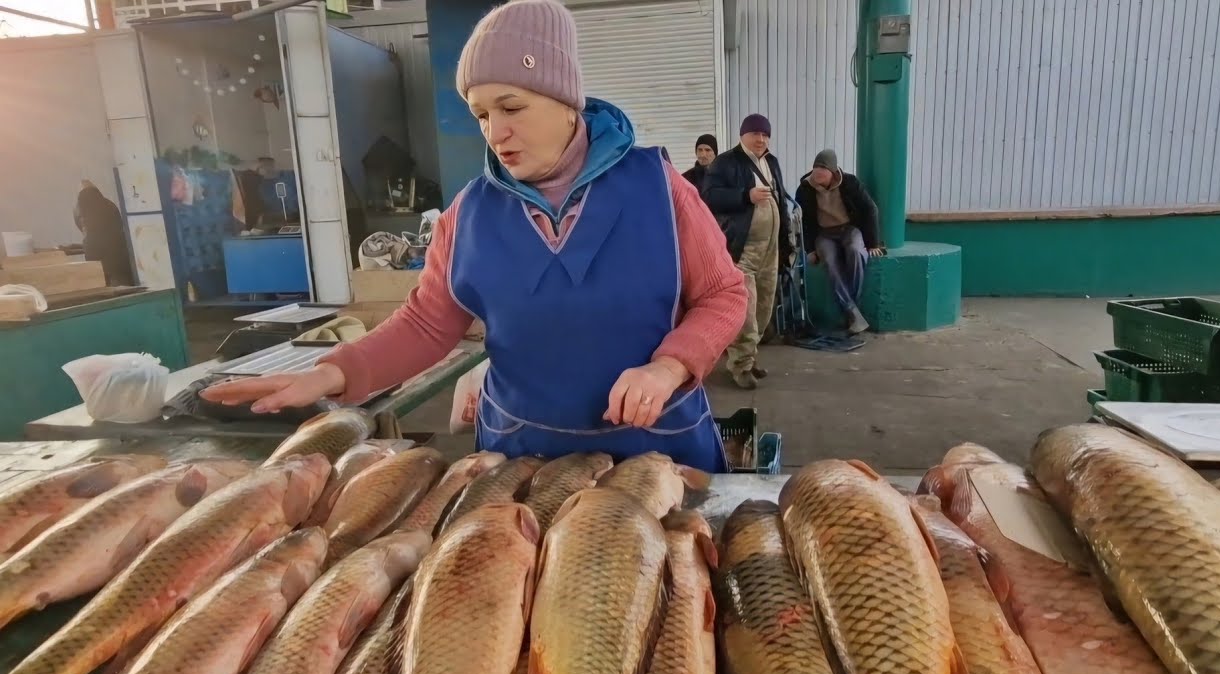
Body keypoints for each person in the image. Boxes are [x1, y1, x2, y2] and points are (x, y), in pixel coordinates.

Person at [201, 0, 747, 473]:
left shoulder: (657, 186)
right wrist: (331, 373)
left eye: (512, 107)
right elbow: (424, 324)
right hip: (519, 463)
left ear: (566, 100)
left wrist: (668, 365)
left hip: (657, 459)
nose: (495, 132)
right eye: (481, 113)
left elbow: (725, 294)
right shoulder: (470, 213)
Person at [701, 114, 791, 389]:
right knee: (746, 309)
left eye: (765, 134)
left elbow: (782, 201)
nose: (761, 139)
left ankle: (749, 359)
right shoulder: (726, 162)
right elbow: (708, 196)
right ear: (742, 135)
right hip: (743, 250)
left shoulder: (771, 162)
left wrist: (787, 244)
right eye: (755, 133)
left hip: (770, 250)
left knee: (764, 307)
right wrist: (744, 196)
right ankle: (740, 366)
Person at [795, 149, 885, 334]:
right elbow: (802, 221)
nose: (818, 172)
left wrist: (873, 244)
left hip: (849, 229)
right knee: (829, 259)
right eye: (816, 167)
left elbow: (870, 209)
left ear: (834, 172)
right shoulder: (804, 189)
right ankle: (853, 312)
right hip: (824, 234)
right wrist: (810, 249)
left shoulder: (850, 183)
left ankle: (850, 309)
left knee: (856, 251)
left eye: (823, 168)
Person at [73, 181, 133, 287]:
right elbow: (119, 226)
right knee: (125, 287)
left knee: (108, 290)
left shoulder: (80, 208)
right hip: (119, 258)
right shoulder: (110, 205)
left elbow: (83, 230)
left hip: (96, 258)